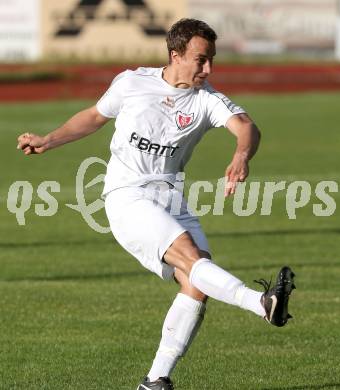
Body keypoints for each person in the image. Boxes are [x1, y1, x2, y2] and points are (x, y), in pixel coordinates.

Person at [17, 18, 295, 390]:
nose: (207, 69)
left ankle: (155, 379)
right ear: (175, 54)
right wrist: (48, 140)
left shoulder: (206, 99)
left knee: (197, 282)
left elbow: (247, 127)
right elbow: (95, 116)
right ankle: (261, 303)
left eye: (211, 60)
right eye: (200, 60)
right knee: (192, 261)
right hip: (127, 196)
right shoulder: (132, 82)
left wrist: (242, 155)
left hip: (171, 199)